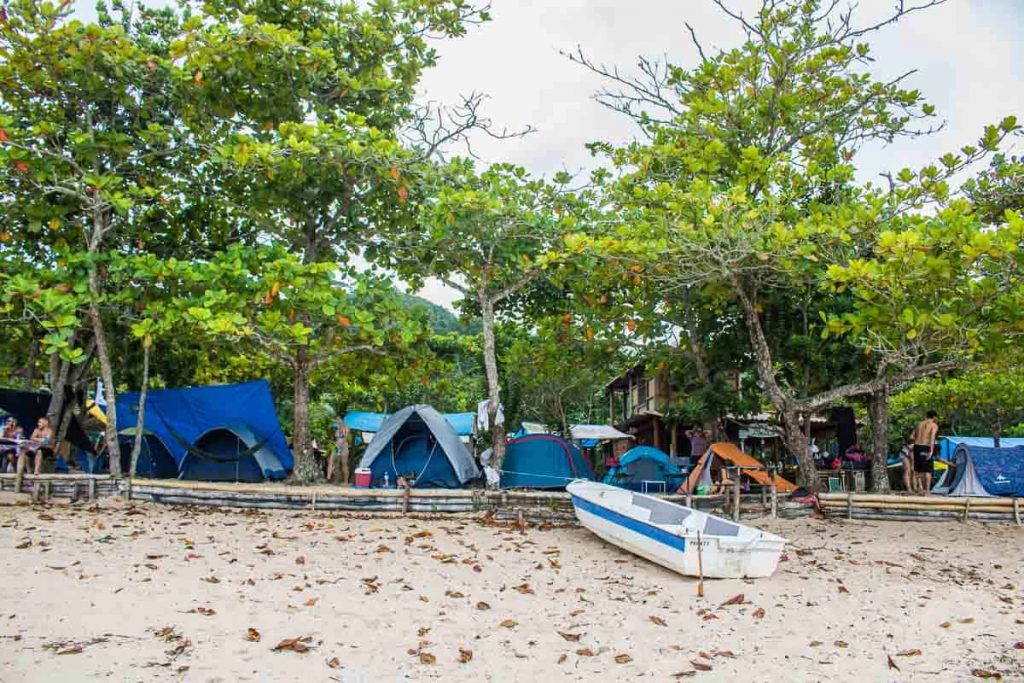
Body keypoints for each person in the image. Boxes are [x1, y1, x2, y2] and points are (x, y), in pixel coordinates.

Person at [911, 410, 939, 494]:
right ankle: (927, 490)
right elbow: (932, 437)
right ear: (934, 417)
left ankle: (920, 488)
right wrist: (931, 450)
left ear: (926, 416)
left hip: (916, 446)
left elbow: (912, 436)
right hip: (925, 447)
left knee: (918, 469)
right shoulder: (933, 425)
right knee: (928, 470)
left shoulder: (919, 424)